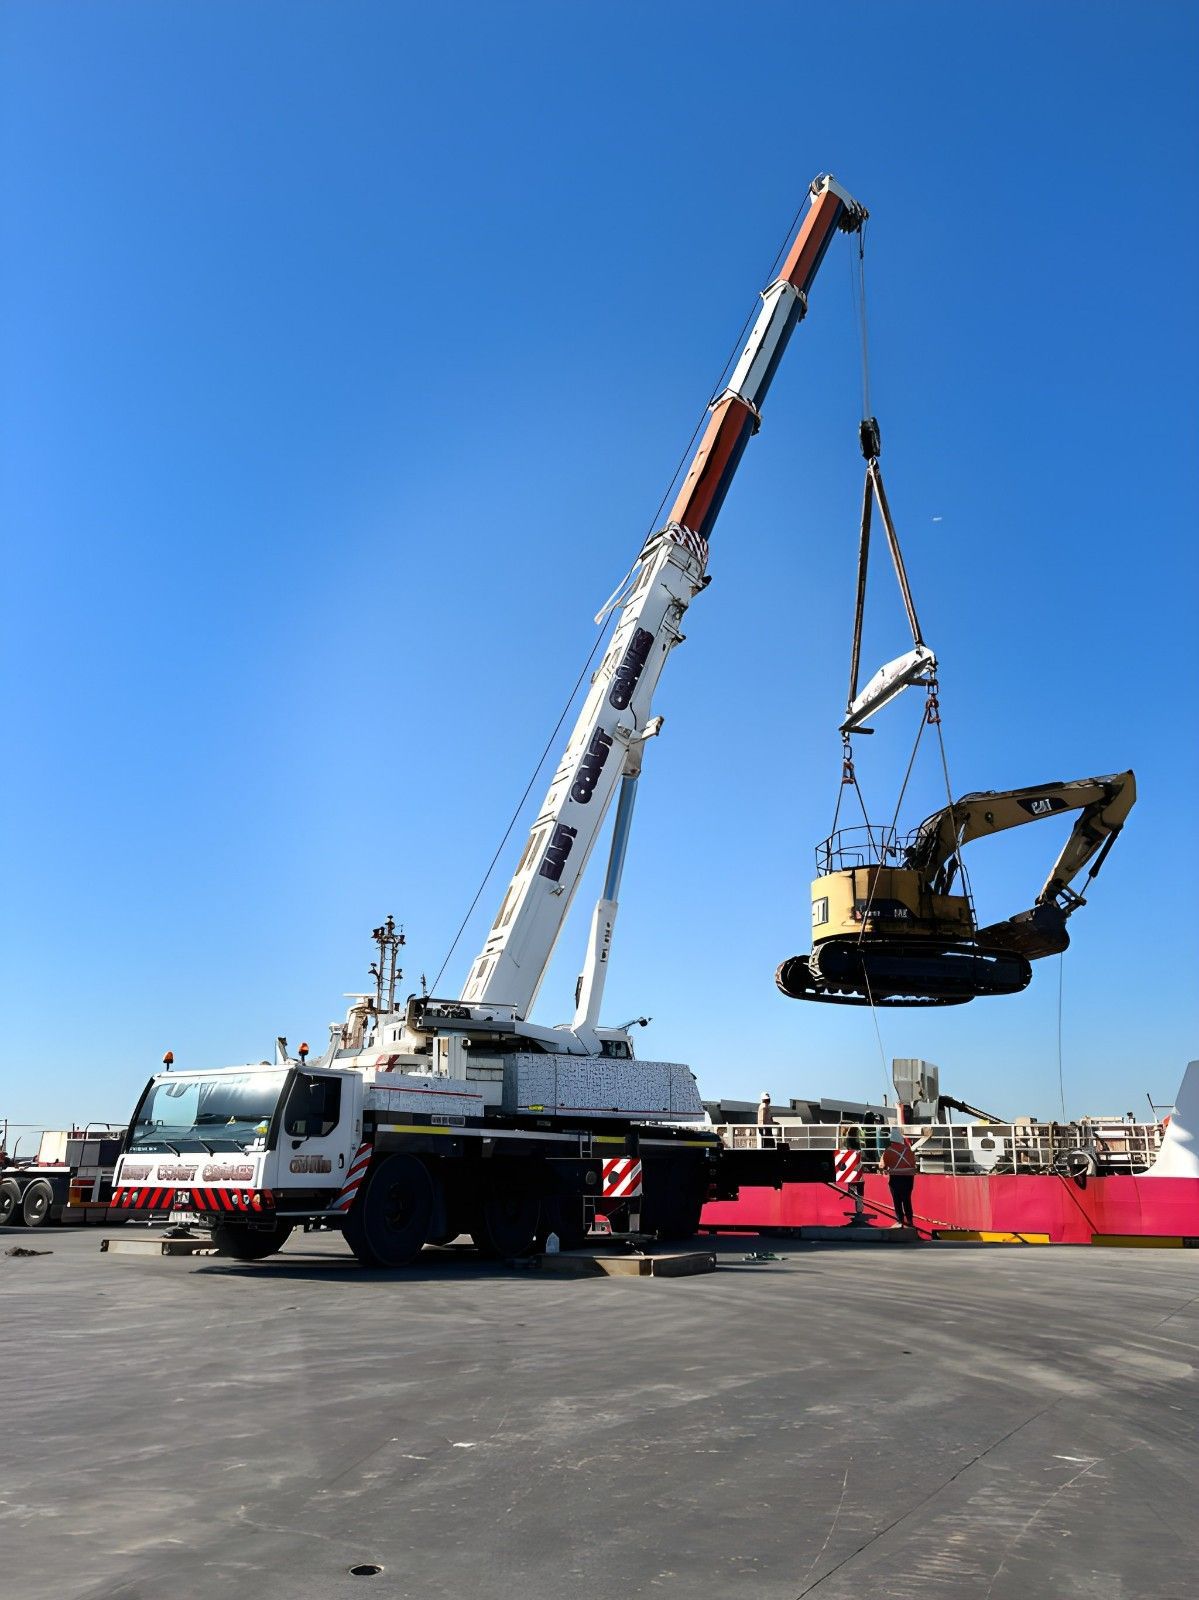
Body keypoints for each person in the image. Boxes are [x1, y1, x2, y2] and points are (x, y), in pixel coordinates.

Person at [880, 1128, 917, 1228]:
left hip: (895, 1178)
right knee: (907, 1200)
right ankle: (910, 1221)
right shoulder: (908, 1150)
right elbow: (913, 1163)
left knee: (897, 1200)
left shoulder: (888, 1151)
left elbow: (882, 1165)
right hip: (909, 1178)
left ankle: (900, 1221)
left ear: (891, 1140)